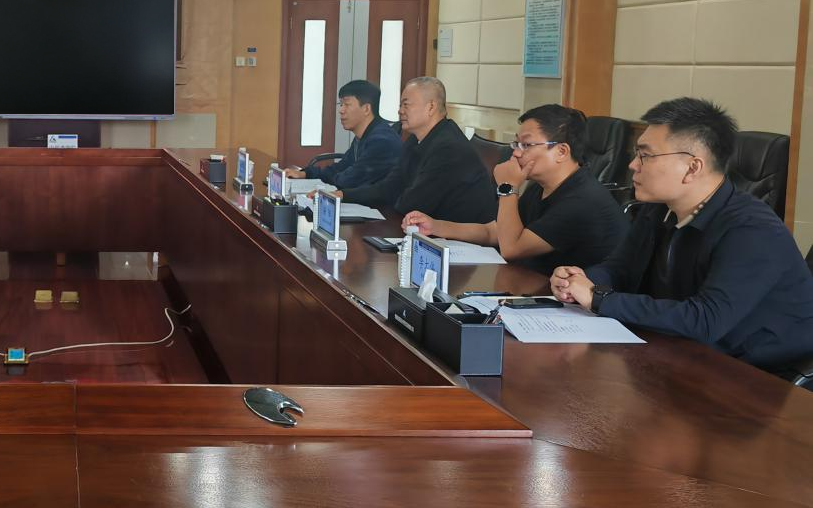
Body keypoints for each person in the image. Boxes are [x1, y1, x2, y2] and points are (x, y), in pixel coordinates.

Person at [551, 97, 813, 373]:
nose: (633, 165)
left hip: (758, 375)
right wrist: (579, 281)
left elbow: (706, 320)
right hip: (681, 352)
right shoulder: (658, 208)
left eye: (645, 155)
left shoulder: (753, 230)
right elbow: (620, 268)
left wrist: (599, 298)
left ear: (692, 167)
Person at [401, 104, 627, 274]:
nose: (516, 153)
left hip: (580, 308)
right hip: (539, 286)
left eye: (526, 145)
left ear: (561, 152)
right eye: (516, 144)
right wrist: (435, 226)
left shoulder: (582, 200)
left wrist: (508, 187)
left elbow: (511, 248)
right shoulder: (541, 187)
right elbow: (495, 232)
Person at [339, 76, 496, 222]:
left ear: (431, 107)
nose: (400, 111)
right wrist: (343, 195)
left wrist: (393, 195)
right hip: (424, 229)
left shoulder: (449, 148)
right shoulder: (415, 139)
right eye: (400, 105)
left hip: (459, 237)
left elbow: (411, 204)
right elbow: (389, 187)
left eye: (406, 105)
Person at [282, 79, 400, 190]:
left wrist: (322, 183)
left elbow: (348, 180)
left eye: (347, 105)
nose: (341, 110)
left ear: (366, 109)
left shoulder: (382, 141)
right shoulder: (365, 135)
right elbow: (342, 167)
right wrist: (305, 174)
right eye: (341, 104)